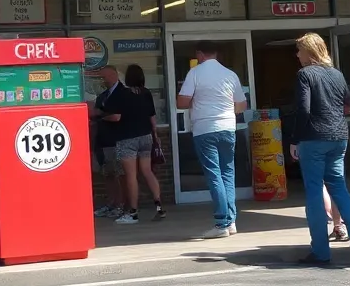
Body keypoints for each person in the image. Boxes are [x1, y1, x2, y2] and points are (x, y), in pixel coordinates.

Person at [287, 33, 350, 266]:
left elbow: (303, 109)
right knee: (339, 188)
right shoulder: (337, 74)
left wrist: (295, 139)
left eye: (300, 50)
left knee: (314, 192)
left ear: (309, 52)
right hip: (339, 137)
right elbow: (347, 105)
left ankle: (321, 252)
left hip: (314, 138)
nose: (297, 54)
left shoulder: (305, 74)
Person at [177, 43, 247, 239]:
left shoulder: (195, 73)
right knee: (228, 173)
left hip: (204, 128)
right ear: (216, 53)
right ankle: (231, 221)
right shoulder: (230, 74)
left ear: (199, 54)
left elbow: (181, 102)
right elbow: (241, 104)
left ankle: (222, 222)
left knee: (214, 174)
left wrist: (198, 102)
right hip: (228, 127)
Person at [102, 64, 165, 225]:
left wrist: (102, 118)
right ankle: (159, 206)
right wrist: (155, 136)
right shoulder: (146, 93)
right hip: (146, 137)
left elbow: (116, 117)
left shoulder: (123, 94)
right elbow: (152, 117)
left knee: (131, 176)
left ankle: (133, 213)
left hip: (127, 138)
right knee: (147, 171)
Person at [90, 66, 124, 218]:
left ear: (113, 74)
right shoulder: (102, 96)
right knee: (107, 174)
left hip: (116, 140)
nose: (103, 81)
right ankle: (111, 203)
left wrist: (101, 115)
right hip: (102, 140)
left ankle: (120, 204)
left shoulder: (123, 93)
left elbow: (118, 117)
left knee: (117, 174)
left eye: (104, 77)